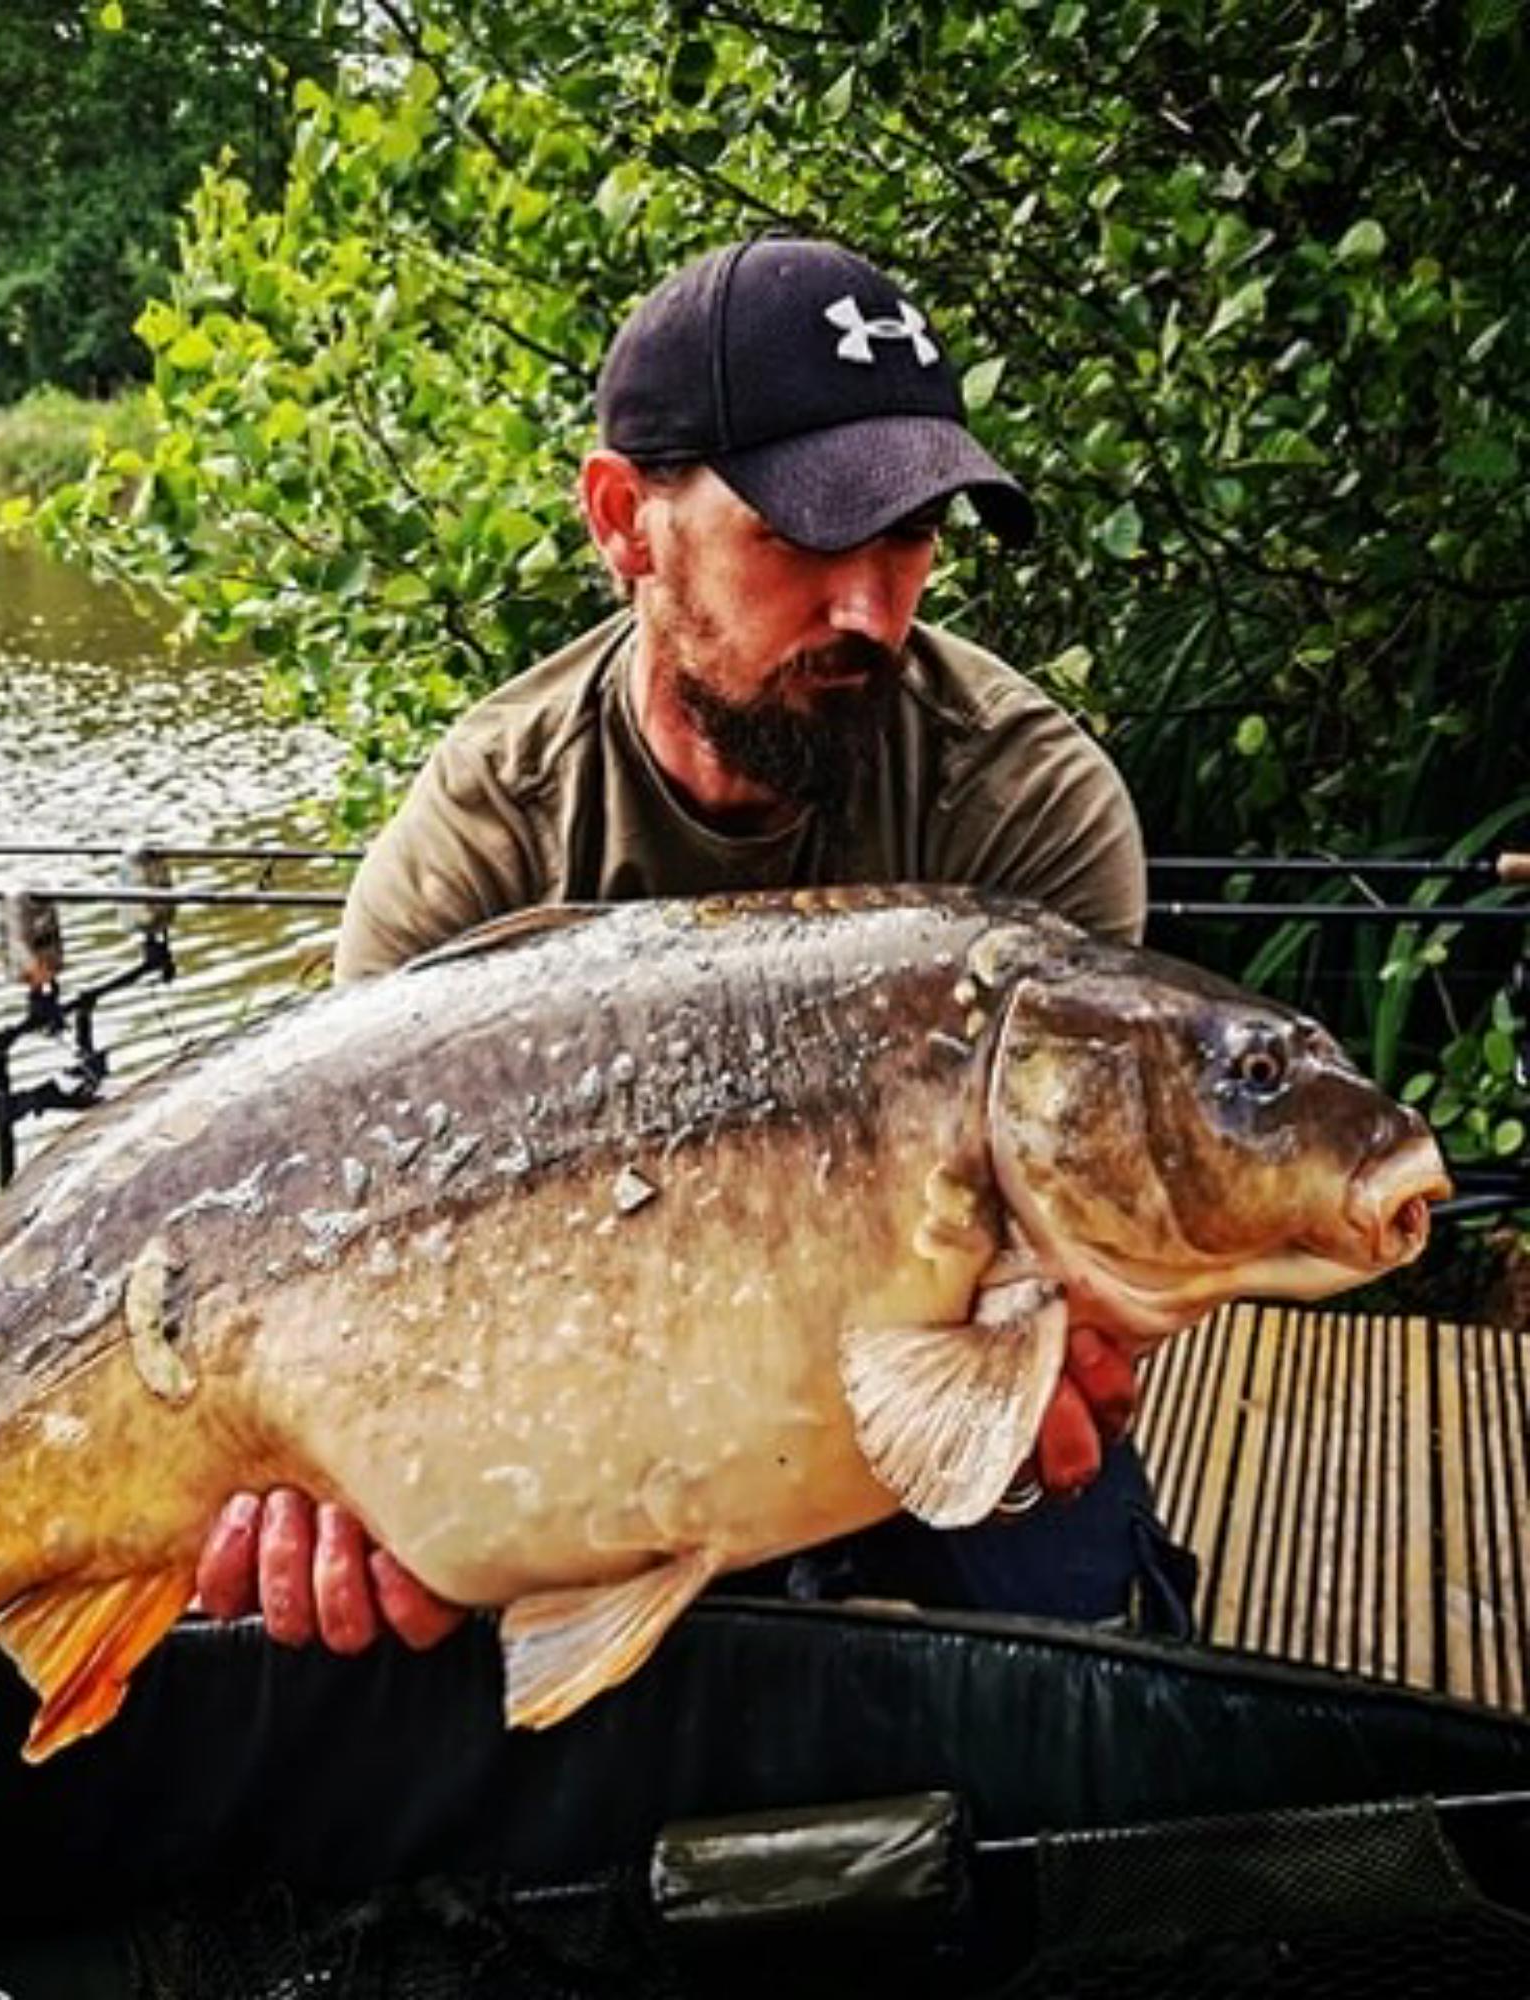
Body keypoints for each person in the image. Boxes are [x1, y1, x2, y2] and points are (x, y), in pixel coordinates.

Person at [197, 236, 1195, 1657]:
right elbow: (332, 1257)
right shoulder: (482, 839)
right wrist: (317, 1483)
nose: (873, 607)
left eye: (910, 536)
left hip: (933, 1398)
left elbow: (1064, 1277)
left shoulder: (1026, 801)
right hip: (572, 1416)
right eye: (800, 537)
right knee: (372, 1639)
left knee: (1083, 1647)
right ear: (623, 520)